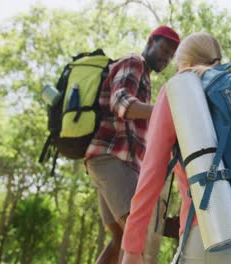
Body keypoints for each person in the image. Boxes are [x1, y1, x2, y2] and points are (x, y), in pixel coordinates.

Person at [121, 32, 231, 264]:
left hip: (213, 232)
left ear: (186, 65)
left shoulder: (181, 90)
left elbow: (152, 174)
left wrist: (132, 246)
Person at [85, 26, 180, 264]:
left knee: (120, 240)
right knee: (141, 234)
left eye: (170, 56)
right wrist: (169, 112)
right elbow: (122, 104)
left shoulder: (144, 76)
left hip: (107, 161)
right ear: (150, 41)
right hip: (113, 159)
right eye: (164, 50)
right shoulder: (133, 61)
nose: (165, 59)